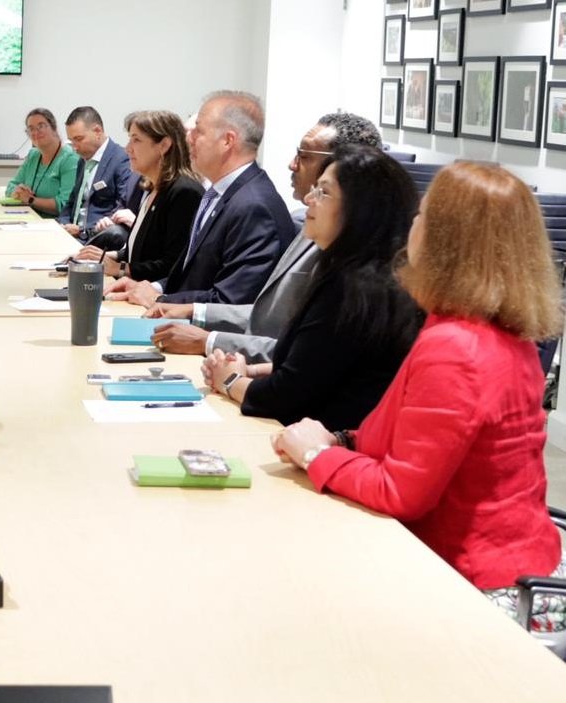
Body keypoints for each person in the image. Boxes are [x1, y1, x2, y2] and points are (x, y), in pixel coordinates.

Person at [273, 161, 566, 632]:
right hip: (512, 565)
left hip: (482, 591)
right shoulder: (499, 333)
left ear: (445, 241)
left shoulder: (456, 347)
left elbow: (401, 493)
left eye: (422, 215)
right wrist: (340, 443)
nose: (412, 223)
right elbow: (415, 443)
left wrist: (316, 455)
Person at [202, 144, 423, 430]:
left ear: (361, 209)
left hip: (326, 441)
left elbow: (285, 397)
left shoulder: (357, 289)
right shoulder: (355, 273)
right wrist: (248, 370)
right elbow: (315, 367)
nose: (309, 198)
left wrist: (230, 380)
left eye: (323, 192)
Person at [146, 112, 382, 362]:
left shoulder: (361, 254)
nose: (292, 164)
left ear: (349, 169)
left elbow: (312, 351)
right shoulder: (309, 222)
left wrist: (209, 341)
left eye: (304, 156)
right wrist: (195, 311)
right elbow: (270, 315)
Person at [105, 91, 293, 306]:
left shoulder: (254, 206)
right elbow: (191, 275)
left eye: (198, 131)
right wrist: (152, 287)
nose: (188, 139)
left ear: (227, 141)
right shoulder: (219, 195)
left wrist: (160, 299)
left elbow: (232, 301)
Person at [73, 110, 203, 283]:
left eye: (136, 140)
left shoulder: (184, 192)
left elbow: (172, 265)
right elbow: (139, 252)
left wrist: (120, 268)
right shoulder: (152, 188)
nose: (128, 148)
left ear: (164, 145)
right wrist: (104, 256)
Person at [56, 106, 134, 241]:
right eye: (71, 140)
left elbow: (122, 207)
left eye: (79, 139)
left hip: (95, 237)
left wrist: (82, 230)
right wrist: (62, 223)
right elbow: (73, 201)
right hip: (71, 235)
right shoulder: (83, 159)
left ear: (97, 131)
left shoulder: (121, 159)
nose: (74, 147)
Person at [5, 108, 79, 218]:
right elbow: (10, 186)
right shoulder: (33, 155)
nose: (35, 132)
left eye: (41, 126)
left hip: (55, 223)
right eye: (31, 129)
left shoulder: (69, 159)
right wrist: (17, 191)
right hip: (28, 218)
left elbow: (64, 205)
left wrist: (30, 199)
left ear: (54, 128)